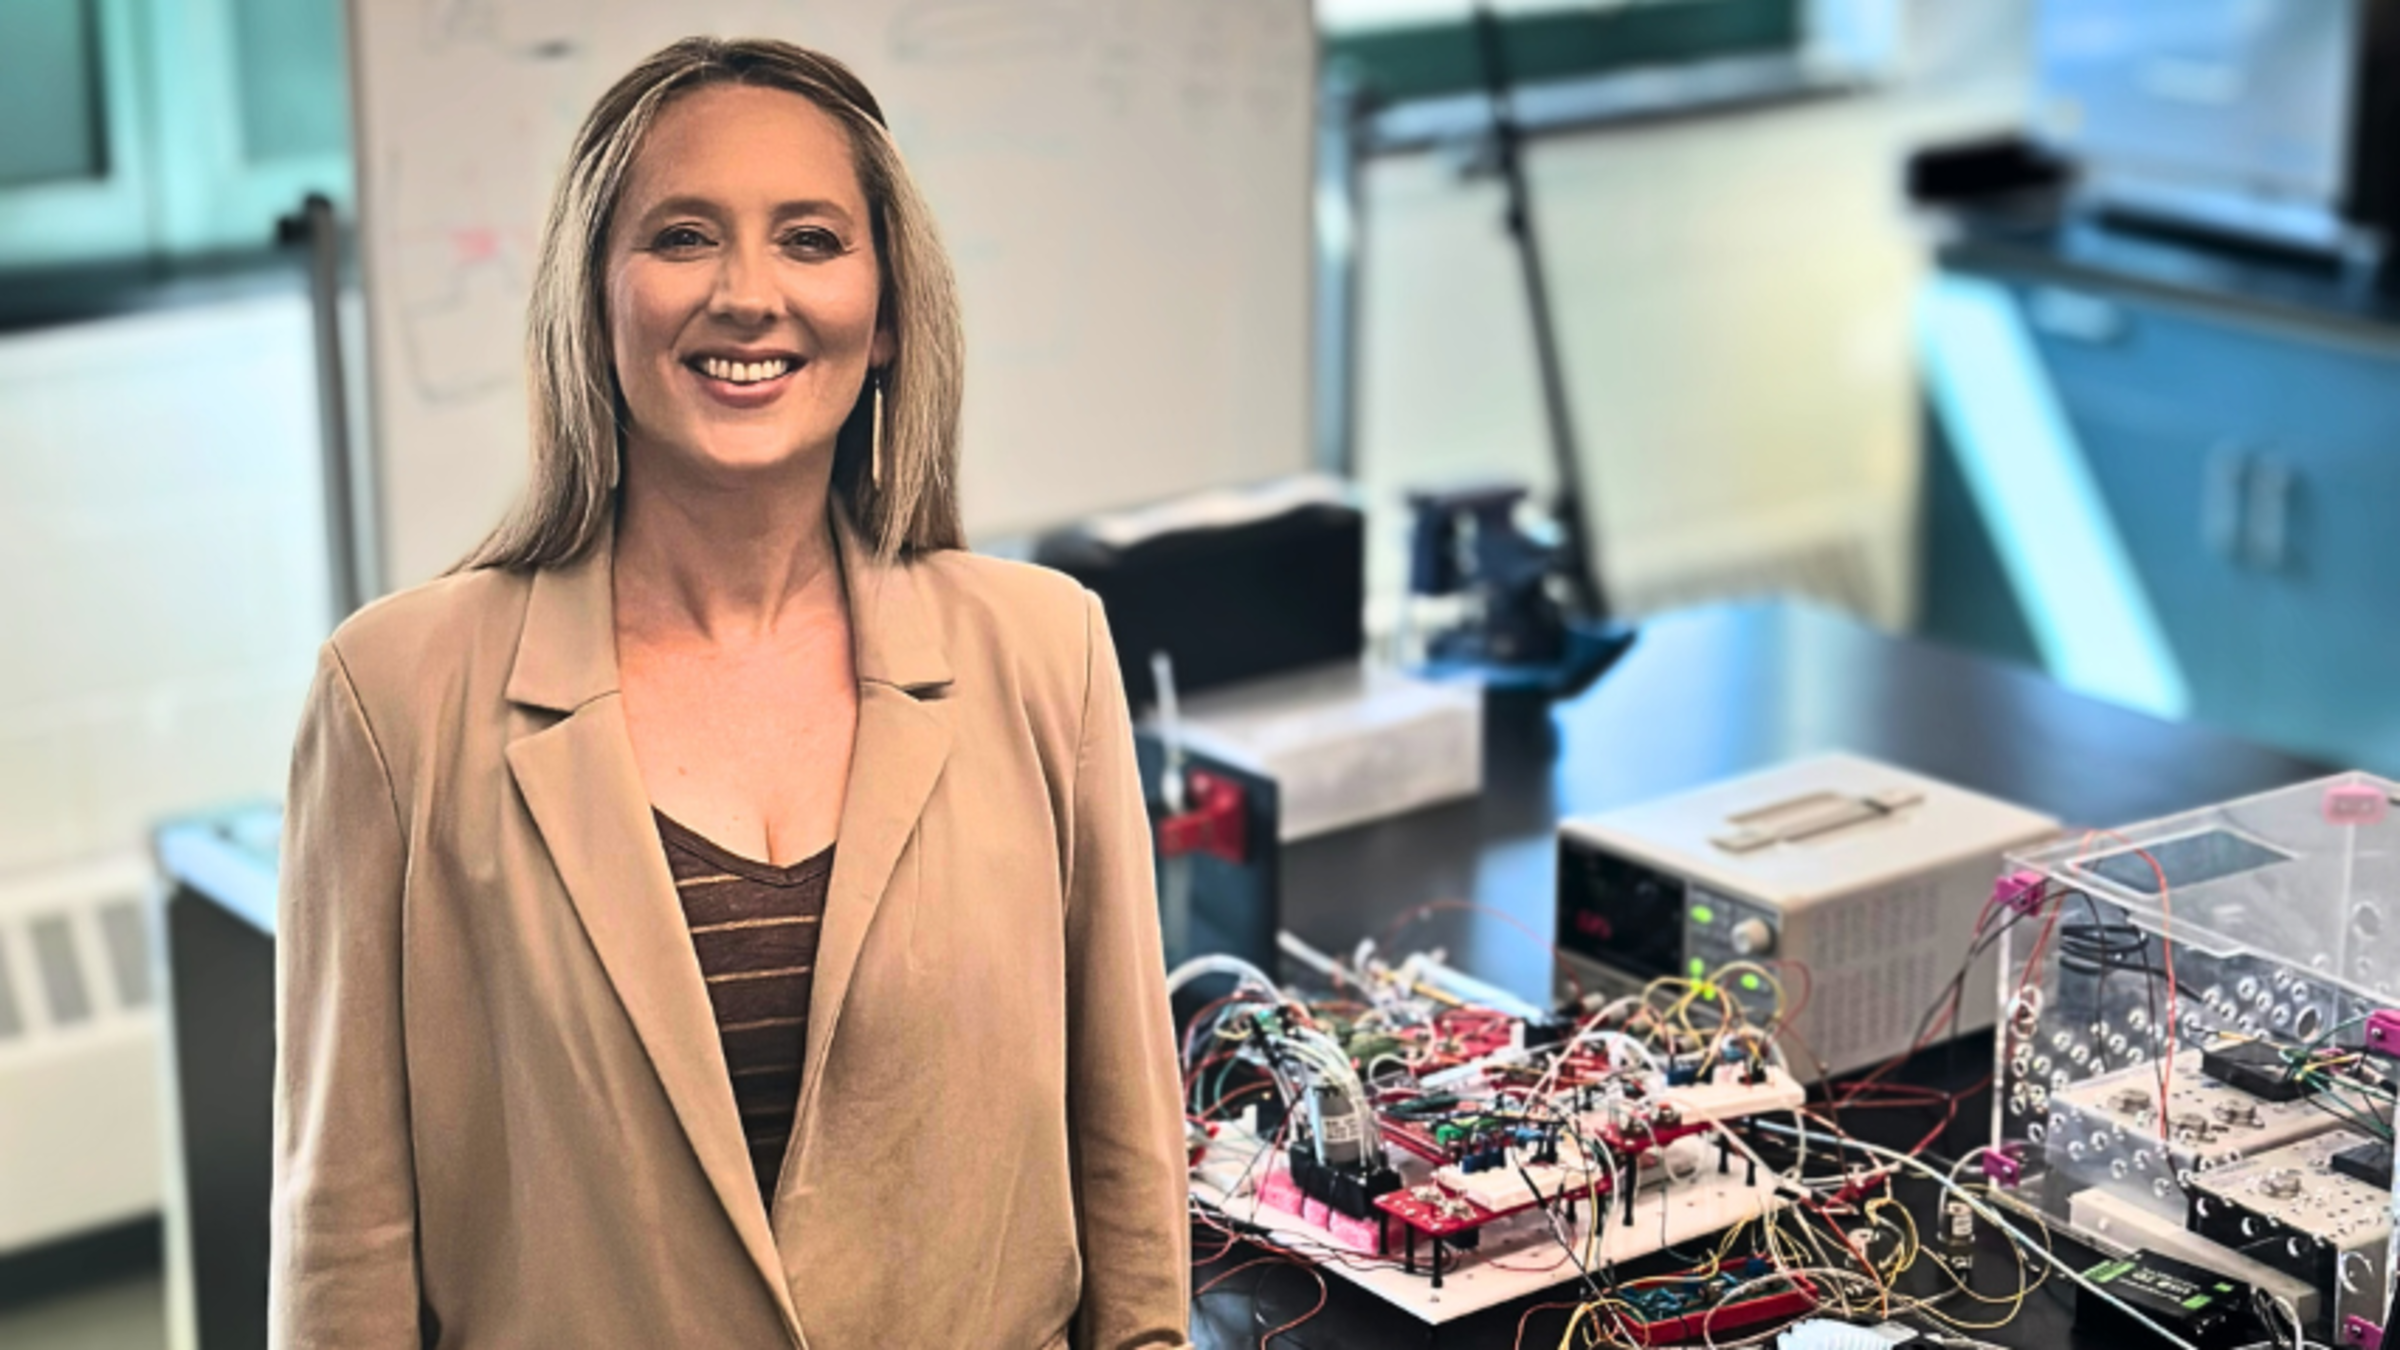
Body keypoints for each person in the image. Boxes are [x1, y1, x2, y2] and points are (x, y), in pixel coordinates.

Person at [271, 37, 1190, 1349]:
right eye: (684, 236)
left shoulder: (1048, 655)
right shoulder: (396, 698)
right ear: (593, 301)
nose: (747, 294)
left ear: (884, 317)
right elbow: (342, 1240)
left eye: (811, 240)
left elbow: (1131, 1175)